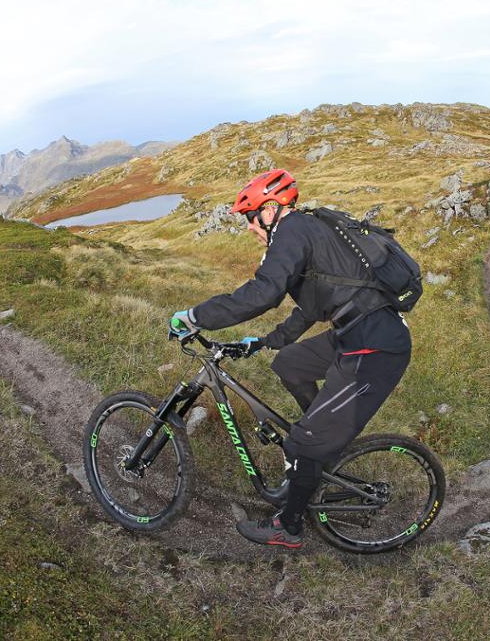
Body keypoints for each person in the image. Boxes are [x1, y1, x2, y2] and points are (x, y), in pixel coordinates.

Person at [168, 169, 412, 549]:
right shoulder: (307, 229)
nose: (250, 228)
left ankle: (290, 525)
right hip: (356, 334)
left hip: (376, 347)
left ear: (268, 210)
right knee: (290, 364)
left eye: (250, 218)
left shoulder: (292, 230)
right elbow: (311, 306)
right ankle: (323, 445)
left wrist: (194, 316)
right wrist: (266, 341)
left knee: (303, 440)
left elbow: (262, 293)